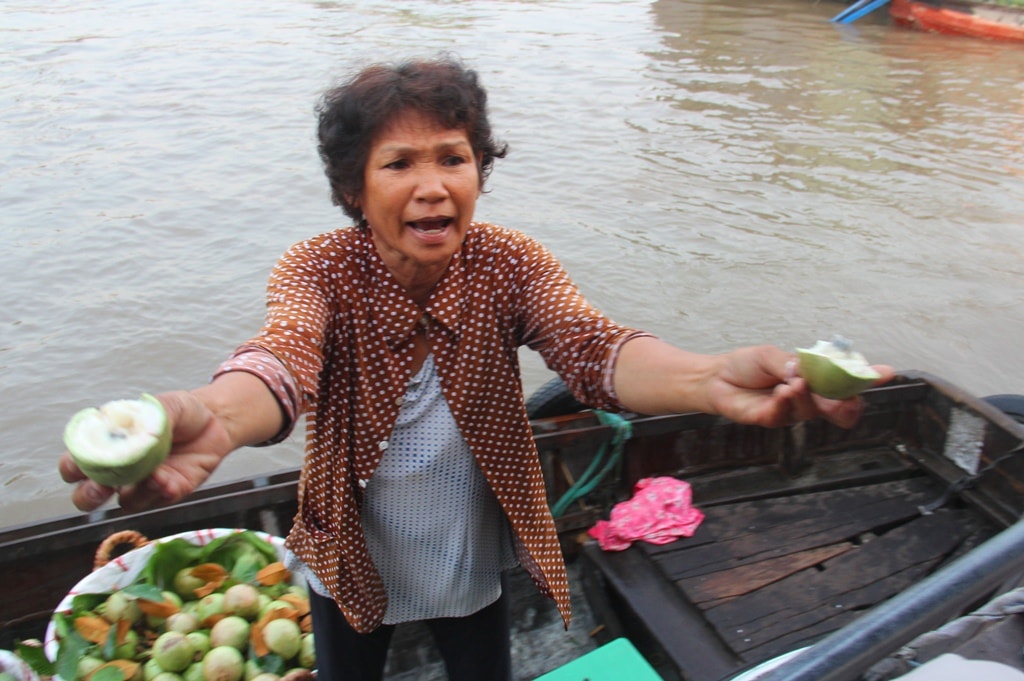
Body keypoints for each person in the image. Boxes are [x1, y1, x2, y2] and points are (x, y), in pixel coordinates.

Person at [59, 55, 893, 681]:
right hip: (351, 540)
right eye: (399, 164)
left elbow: (594, 349)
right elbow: (282, 359)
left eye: (452, 158)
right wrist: (217, 412)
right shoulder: (319, 267)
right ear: (355, 188)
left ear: (479, 171)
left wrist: (709, 378)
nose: (431, 186)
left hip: (467, 541)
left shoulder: (510, 263)